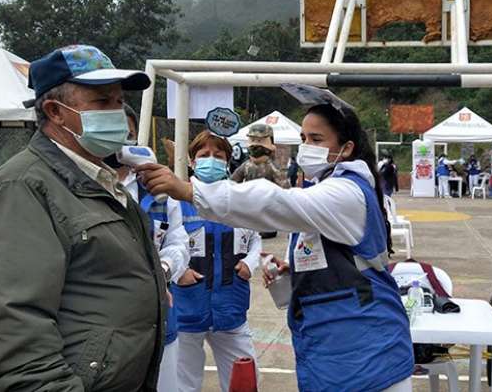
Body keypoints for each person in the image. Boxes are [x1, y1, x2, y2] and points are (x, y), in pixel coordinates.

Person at [137, 91, 415, 392]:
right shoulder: (329, 186)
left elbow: (274, 202)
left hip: (363, 347)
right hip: (337, 345)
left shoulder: (346, 191)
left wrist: (191, 190)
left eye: (317, 139)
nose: (307, 147)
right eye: (303, 137)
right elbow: (339, 257)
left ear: (346, 148)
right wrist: (296, 272)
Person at [0, 45, 167, 391]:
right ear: (54, 112)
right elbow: (17, 333)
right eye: (102, 102)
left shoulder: (99, 178)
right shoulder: (21, 189)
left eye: (119, 102)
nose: (118, 113)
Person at [109, 105, 190, 392]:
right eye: (111, 129)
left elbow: (179, 242)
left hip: (158, 321)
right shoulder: (74, 188)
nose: (120, 138)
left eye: (128, 133)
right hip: (102, 332)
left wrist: (163, 271)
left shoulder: (159, 193)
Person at [174, 131, 261, 392]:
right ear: (192, 161)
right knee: (183, 383)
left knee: (244, 379)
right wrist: (179, 272)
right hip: (187, 307)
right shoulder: (176, 199)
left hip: (231, 307)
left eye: (218, 156)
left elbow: (256, 237)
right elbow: (160, 242)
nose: (210, 160)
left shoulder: (240, 198)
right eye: (203, 155)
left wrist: (250, 263)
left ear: (227, 161)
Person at [231, 124, 288, 188]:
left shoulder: (273, 167)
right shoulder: (246, 165)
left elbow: (285, 190)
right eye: (252, 140)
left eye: (259, 141)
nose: (255, 145)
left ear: (272, 146)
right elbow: (232, 183)